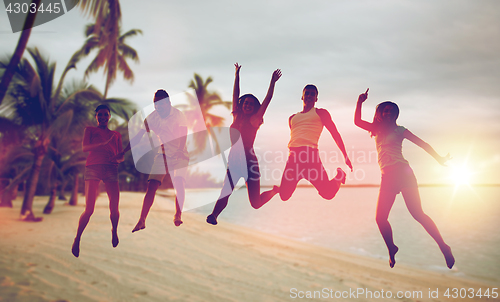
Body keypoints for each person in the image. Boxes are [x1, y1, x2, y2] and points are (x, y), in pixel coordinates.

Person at [354, 88, 455, 269]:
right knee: (380, 218)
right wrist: (360, 102)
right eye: (386, 110)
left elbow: (422, 143)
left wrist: (439, 158)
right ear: (380, 114)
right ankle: (391, 248)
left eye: (392, 111)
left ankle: (443, 246)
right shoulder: (375, 129)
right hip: (387, 177)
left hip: (403, 172)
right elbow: (357, 121)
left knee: (418, 214)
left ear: (396, 115)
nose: (389, 112)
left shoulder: (400, 130)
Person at [206, 63, 281, 225]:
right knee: (226, 191)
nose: (247, 105)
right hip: (234, 160)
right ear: (242, 105)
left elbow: (267, 101)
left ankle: (274, 191)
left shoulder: (255, 121)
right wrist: (236, 75)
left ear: (254, 108)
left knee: (255, 204)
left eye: (251, 104)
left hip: (250, 163)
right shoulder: (236, 117)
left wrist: (272, 82)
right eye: (245, 103)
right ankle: (214, 216)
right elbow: (235, 95)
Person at [119, 89, 189, 231]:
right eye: (155, 104)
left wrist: (180, 150)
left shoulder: (178, 115)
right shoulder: (151, 118)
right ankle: (142, 220)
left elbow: (183, 134)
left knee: (179, 182)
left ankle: (178, 214)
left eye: (161, 103)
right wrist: (123, 151)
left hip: (180, 153)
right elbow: (138, 136)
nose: (158, 106)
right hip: (162, 153)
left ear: (168, 103)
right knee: (151, 185)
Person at [269, 84, 352, 202]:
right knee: (284, 196)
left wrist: (345, 155)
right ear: (302, 96)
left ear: (316, 99)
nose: (309, 96)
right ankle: (283, 188)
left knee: (328, 194)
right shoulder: (292, 118)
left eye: (313, 94)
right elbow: (296, 138)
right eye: (307, 93)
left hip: (310, 158)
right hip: (293, 159)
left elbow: (335, 134)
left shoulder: (321, 113)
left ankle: (340, 176)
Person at [72, 104, 124, 258]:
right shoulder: (90, 130)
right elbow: (84, 148)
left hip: (111, 168)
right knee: (89, 209)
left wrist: (118, 158)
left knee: (114, 208)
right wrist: (102, 144)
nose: (102, 117)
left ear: (109, 116)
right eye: (100, 115)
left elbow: (121, 156)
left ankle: (114, 230)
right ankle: (78, 238)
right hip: (93, 167)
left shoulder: (116, 135)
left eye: (105, 114)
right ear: (96, 117)